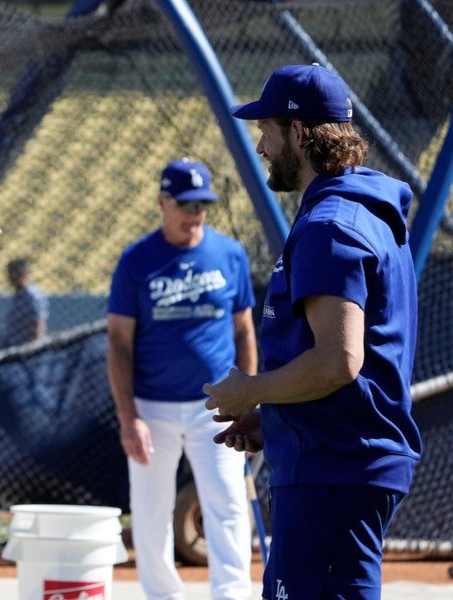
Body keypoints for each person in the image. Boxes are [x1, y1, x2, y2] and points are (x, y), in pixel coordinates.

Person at [204, 64, 421, 600]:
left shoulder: (331, 224)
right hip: (338, 458)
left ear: (299, 133)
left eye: (268, 129)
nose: (261, 145)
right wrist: (275, 416)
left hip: (335, 466)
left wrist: (251, 389)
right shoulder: (359, 211)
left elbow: (337, 362)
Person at [107, 159, 256, 600]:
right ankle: (162, 595)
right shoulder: (137, 261)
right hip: (152, 406)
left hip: (217, 405)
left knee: (228, 501)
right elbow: (118, 342)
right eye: (186, 204)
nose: (196, 213)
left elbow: (244, 329)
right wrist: (128, 415)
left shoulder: (229, 253)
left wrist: (246, 397)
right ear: (162, 203)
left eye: (203, 204)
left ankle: (231, 594)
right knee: (151, 509)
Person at [0, 257, 48, 349]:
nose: (9, 278)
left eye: (12, 274)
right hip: (13, 347)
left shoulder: (31, 296)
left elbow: (37, 325)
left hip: (25, 351)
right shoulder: (18, 296)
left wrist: (31, 350)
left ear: (22, 274)